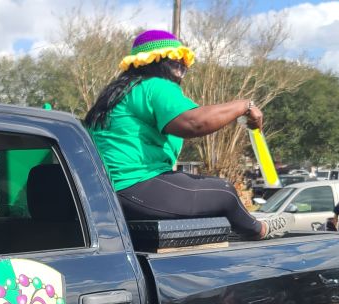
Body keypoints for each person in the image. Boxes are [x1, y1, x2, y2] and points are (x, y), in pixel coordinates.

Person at [84, 29, 290, 240]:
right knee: (224, 192)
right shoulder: (155, 86)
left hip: (107, 193)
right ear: (155, 59)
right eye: (176, 58)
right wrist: (244, 105)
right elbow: (194, 122)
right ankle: (259, 230)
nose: (183, 64)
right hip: (133, 186)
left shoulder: (120, 92)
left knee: (197, 186)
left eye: (185, 60)